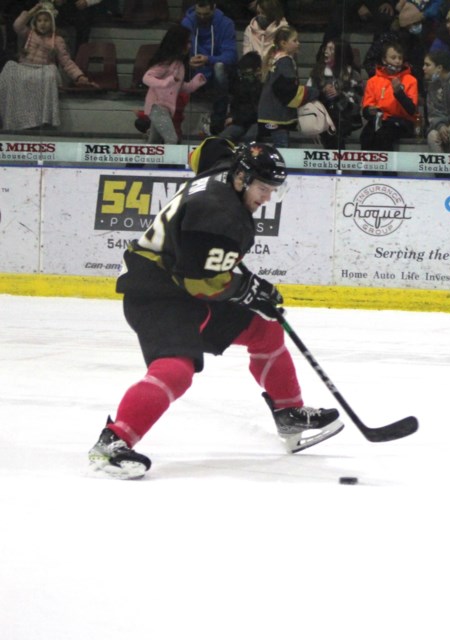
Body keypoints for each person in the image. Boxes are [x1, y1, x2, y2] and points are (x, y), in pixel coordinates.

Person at [88, 142, 343, 480]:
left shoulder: (223, 168)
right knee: (177, 370)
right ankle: (113, 443)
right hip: (156, 291)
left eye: (273, 190)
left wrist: (251, 290)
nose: (267, 198)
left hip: (182, 280)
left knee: (265, 329)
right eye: (263, 188)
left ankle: (289, 413)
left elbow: (206, 150)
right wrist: (248, 289)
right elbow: (201, 283)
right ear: (241, 178)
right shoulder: (218, 216)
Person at [0, 2, 97, 131]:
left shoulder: (57, 40)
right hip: (25, 67)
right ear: (35, 22)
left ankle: (39, 120)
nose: (43, 23)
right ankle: (10, 115)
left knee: (50, 72)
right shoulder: (29, 33)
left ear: (52, 23)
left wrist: (79, 76)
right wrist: (32, 11)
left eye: (46, 20)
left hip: (42, 69)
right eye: (39, 20)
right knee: (9, 67)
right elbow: (17, 25)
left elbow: (66, 62)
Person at [141, 25, 208, 145]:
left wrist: (195, 83)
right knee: (171, 139)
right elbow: (147, 78)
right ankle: (169, 164)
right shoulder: (166, 62)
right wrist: (166, 82)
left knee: (153, 143)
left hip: (165, 109)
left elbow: (180, 87)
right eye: (186, 42)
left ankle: (136, 164)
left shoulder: (179, 65)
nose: (189, 46)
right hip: (157, 107)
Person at [182, 0, 238, 135]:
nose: (201, 17)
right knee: (177, 63)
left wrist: (209, 60)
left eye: (206, 14)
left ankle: (218, 120)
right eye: (198, 13)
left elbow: (231, 56)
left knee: (219, 67)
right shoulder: (187, 23)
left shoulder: (226, 24)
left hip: (216, 72)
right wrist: (186, 60)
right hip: (193, 70)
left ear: (214, 9)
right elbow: (178, 49)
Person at [257, 25, 318, 148]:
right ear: (283, 43)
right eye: (294, 41)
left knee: (279, 146)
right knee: (282, 149)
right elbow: (289, 92)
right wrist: (313, 92)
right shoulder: (285, 62)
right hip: (277, 114)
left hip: (270, 112)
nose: (298, 43)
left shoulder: (276, 58)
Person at [308, 36, 366, 151]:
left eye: (331, 49)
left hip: (345, 119)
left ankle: (336, 163)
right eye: (326, 48)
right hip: (321, 118)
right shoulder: (317, 73)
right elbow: (308, 98)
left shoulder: (353, 75)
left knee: (334, 129)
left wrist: (339, 95)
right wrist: (322, 93)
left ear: (340, 54)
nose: (326, 52)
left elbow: (356, 104)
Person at [360, 41, 419, 151]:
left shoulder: (411, 80)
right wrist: (370, 110)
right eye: (393, 57)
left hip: (402, 122)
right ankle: (368, 168)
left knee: (384, 134)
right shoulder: (373, 81)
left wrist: (399, 93)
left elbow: (411, 110)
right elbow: (366, 109)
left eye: (400, 58)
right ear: (384, 60)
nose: (397, 61)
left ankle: (387, 168)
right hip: (380, 120)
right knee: (366, 135)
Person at [222, 50, 262, 143]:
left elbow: (257, 112)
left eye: (248, 72)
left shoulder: (263, 87)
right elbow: (235, 106)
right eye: (243, 73)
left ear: (258, 70)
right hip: (240, 122)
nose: (245, 76)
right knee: (223, 138)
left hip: (258, 123)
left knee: (250, 137)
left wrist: (235, 118)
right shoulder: (239, 85)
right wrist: (233, 117)